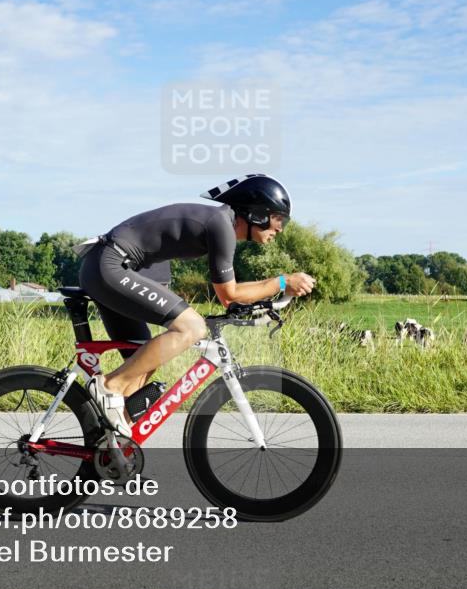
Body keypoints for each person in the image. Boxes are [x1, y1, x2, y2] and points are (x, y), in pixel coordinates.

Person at [77, 174, 316, 437]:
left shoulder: (219, 224)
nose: (281, 229)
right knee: (191, 327)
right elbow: (230, 295)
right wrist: (282, 281)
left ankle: (111, 454)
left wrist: (266, 296)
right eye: (279, 219)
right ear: (257, 213)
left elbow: (231, 294)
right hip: (110, 266)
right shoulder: (221, 225)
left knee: (143, 363)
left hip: (116, 268)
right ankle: (109, 386)